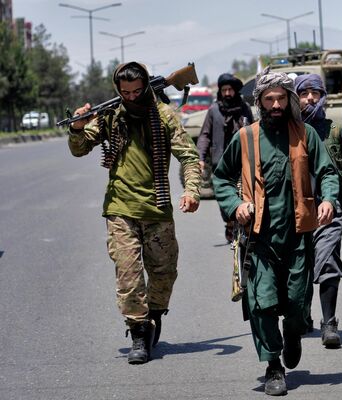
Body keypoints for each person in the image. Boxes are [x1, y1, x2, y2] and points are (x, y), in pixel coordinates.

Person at [212, 67, 339, 396]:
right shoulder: (246, 137)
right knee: (263, 304)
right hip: (259, 240)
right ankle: (273, 366)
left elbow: (326, 171)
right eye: (269, 99)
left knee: (297, 303)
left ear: (289, 99)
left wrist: (328, 199)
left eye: (281, 98)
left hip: (297, 238)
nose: (276, 104)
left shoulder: (305, 134)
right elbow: (222, 177)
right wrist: (234, 205)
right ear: (260, 102)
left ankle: (294, 333)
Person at [67, 62, 202, 365]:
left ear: (146, 87)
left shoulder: (164, 115)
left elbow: (189, 157)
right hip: (120, 208)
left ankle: (153, 314)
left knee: (164, 274)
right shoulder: (111, 114)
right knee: (128, 277)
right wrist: (77, 127)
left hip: (158, 209)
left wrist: (192, 190)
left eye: (136, 91)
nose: (129, 97)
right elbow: (80, 148)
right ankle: (138, 332)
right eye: (124, 92)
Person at [294, 74, 342, 348]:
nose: (310, 99)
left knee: (327, 261)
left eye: (315, 93)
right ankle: (302, 317)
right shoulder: (290, 131)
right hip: (295, 211)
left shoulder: (335, 131)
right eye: (304, 94)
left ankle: (329, 323)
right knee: (299, 266)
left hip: (330, 209)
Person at [197, 73, 254, 243]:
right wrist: (200, 157)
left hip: (242, 162)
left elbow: (252, 132)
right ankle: (229, 223)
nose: (227, 93)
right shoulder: (214, 110)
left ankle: (243, 225)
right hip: (220, 164)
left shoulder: (244, 108)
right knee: (223, 197)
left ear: (236, 91)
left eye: (230, 90)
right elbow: (205, 135)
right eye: (224, 90)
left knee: (244, 195)